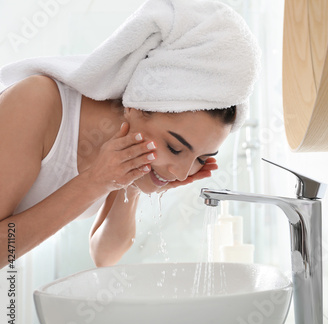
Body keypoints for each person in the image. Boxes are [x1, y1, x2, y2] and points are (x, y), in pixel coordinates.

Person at [0, 0, 260, 268]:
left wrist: (134, 180)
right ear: (136, 105)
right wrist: (94, 182)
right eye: (174, 148)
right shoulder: (36, 102)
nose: (183, 173)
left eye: (202, 159)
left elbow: (104, 255)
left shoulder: (124, 146)